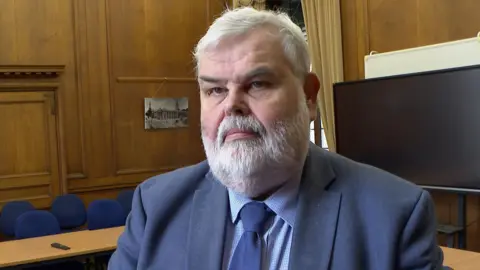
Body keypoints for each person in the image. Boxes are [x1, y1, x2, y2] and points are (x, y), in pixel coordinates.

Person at [108, 7, 444, 270]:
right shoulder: (155, 207)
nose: (232, 106)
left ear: (309, 96)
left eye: (257, 84)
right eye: (215, 90)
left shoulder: (394, 215)